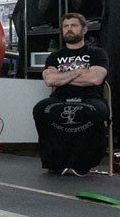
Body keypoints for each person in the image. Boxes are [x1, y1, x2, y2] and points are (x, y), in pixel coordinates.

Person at [33, 13, 109, 176]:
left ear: (84, 29)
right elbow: (50, 80)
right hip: (60, 99)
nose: (69, 29)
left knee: (95, 112)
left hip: (90, 98)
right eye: (66, 26)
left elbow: (95, 79)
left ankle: (83, 164)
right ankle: (54, 162)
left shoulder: (97, 54)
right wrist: (80, 72)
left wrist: (63, 76)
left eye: (74, 26)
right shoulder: (55, 56)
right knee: (40, 109)